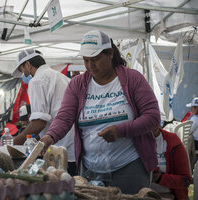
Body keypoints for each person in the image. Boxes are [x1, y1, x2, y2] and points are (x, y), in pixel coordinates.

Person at [40, 30, 160, 194]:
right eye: (86, 60)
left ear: (110, 53)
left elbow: (153, 117)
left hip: (129, 167)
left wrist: (120, 131)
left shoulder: (132, 79)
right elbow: (64, 117)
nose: (90, 66)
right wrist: (49, 137)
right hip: (90, 170)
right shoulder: (77, 84)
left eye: (95, 59)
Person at [11, 48, 76, 176]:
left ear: (28, 65)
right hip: (73, 145)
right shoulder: (60, 76)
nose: (24, 75)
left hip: (59, 148)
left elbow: (39, 123)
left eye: (22, 70)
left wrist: (14, 143)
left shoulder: (37, 80)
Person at [151, 126, 191, 200]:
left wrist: (160, 178)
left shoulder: (172, 141)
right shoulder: (133, 140)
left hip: (169, 196)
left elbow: (185, 181)